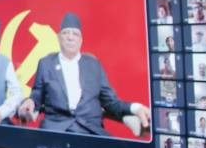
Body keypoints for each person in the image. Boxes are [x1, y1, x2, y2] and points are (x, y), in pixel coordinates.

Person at [16, 12, 151, 136]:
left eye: (75, 34)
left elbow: (111, 102)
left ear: (81, 40)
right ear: (59, 38)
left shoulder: (94, 65)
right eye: (65, 33)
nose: (70, 37)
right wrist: (30, 102)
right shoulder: (46, 63)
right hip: (56, 131)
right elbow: (37, 94)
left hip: (90, 131)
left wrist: (136, 108)